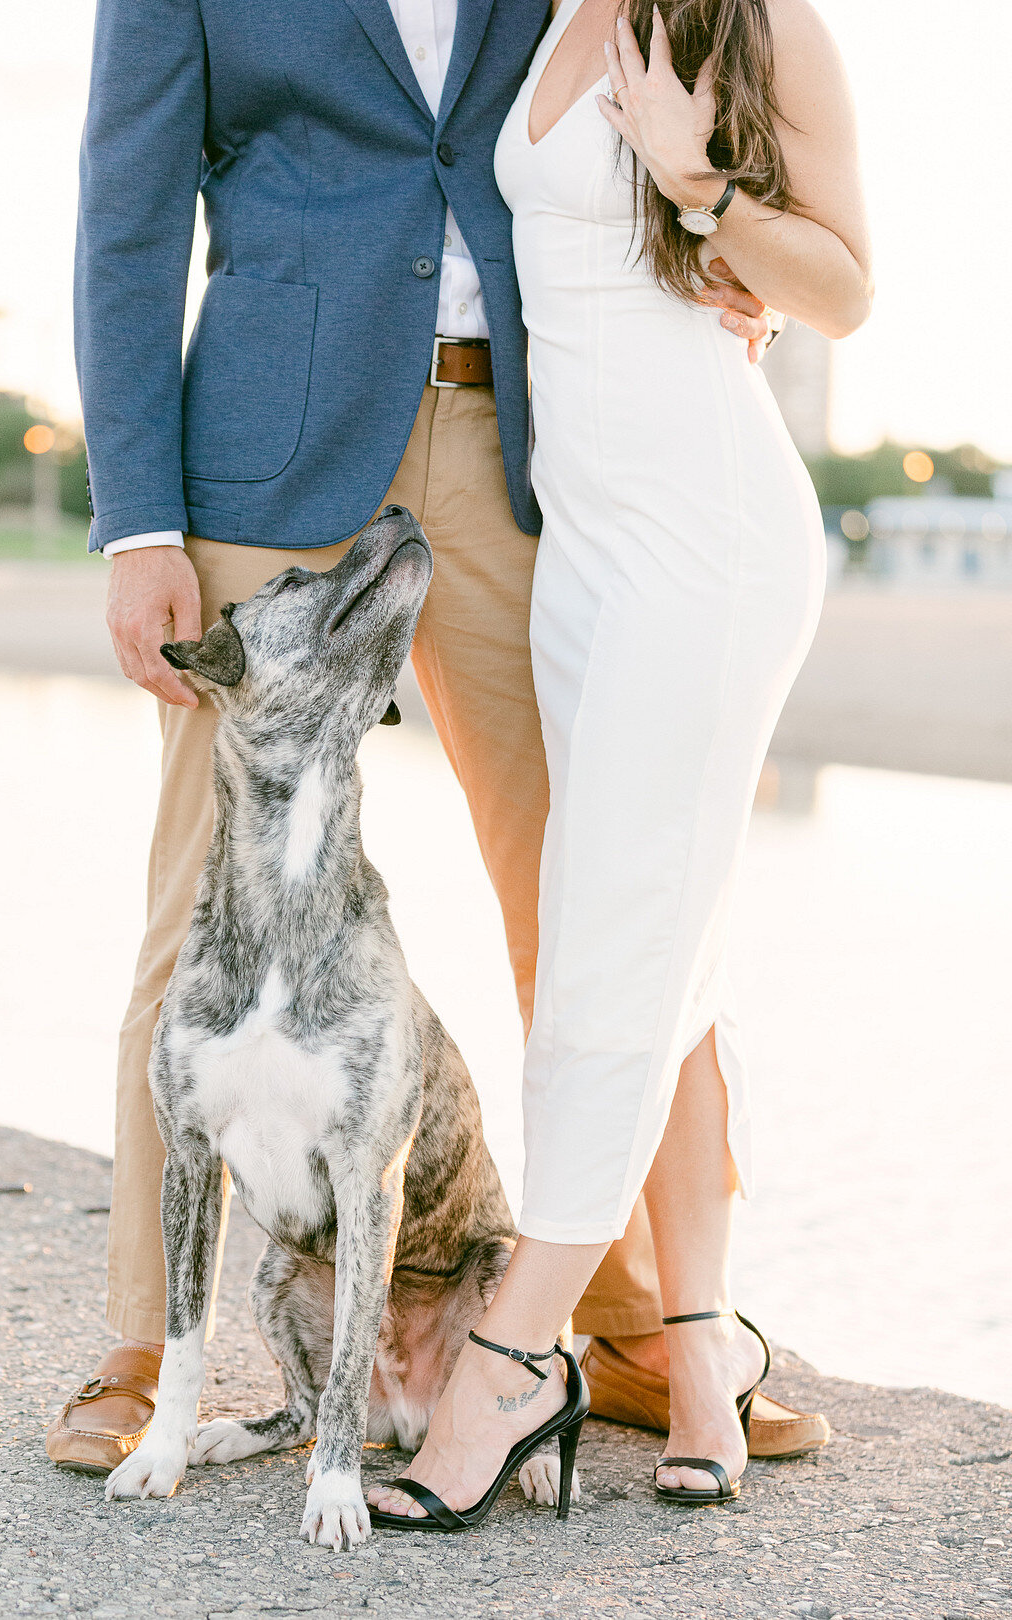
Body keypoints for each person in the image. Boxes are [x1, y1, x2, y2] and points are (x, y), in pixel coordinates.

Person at [47, 0, 829, 1477]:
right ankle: (149, 1343)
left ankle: (644, 1320)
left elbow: (667, 100)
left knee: (603, 898)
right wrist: (137, 520)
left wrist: (738, 264)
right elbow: (126, 212)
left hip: (523, 452)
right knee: (205, 910)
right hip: (267, 460)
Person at [367, 0, 870, 1524]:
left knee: (602, 954)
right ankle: (702, 1357)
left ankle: (518, 1357)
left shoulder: (760, 21)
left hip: (705, 538)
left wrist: (706, 187)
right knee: (675, 956)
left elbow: (843, 290)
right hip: (581, 546)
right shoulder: (540, 18)